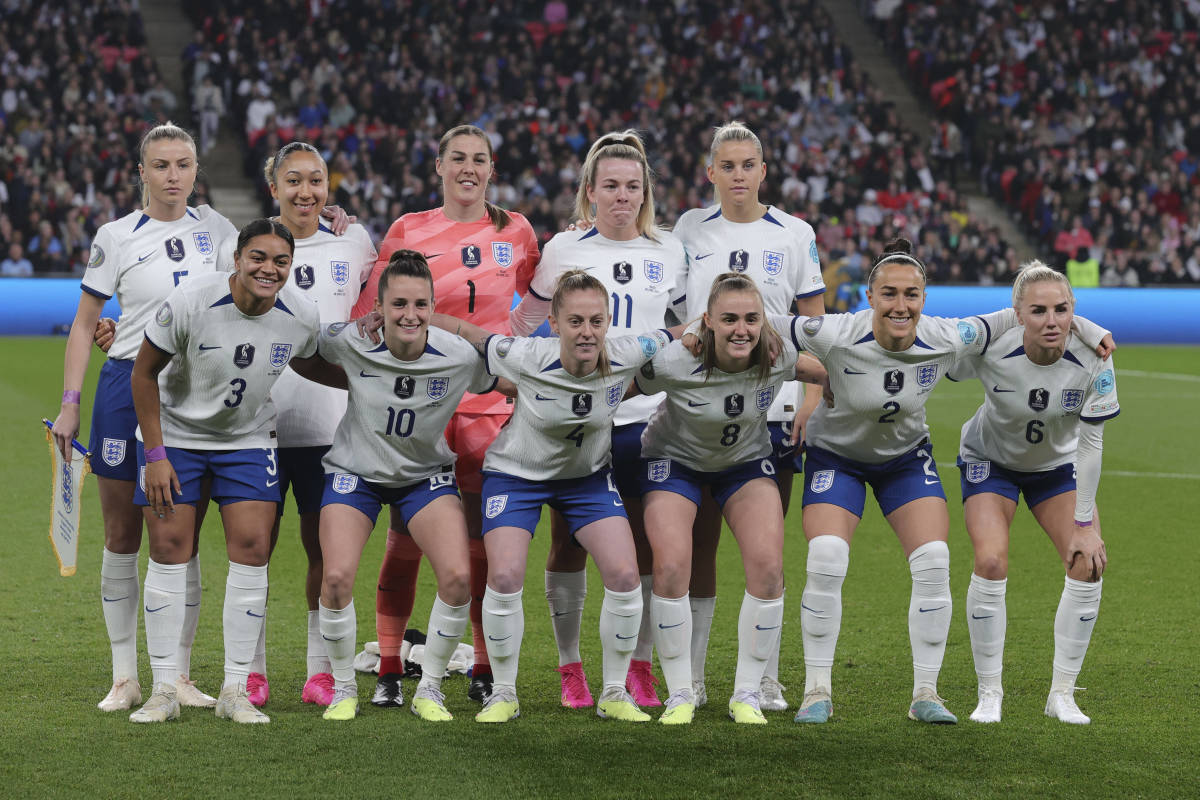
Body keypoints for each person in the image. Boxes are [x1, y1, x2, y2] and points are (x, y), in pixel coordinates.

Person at [787, 239, 1112, 725]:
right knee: (828, 556)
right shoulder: (838, 330)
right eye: (890, 294)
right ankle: (818, 689)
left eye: (911, 295)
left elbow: (1089, 440)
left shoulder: (953, 336)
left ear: (924, 297)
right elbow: (763, 327)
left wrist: (1083, 324)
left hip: (926, 459)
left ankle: (934, 693)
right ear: (869, 296)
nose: (901, 305)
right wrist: (808, 375)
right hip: (866, 456)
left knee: (942, 559)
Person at [352, 124, 541, 708]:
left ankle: (482, 665)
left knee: (485, 539)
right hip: (421, 403)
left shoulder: (518, 231)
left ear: (492, 169)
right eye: (457, 158)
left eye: (478, 159)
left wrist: (515, 353)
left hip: (488, 406)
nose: (468, 168)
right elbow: (371, 311)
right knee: (406, 533)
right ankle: (389, 664)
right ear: (438, 166)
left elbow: (538, 302)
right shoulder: (410, 228)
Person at [51, 122, 237, 713]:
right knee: (121, 534)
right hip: (124, 386)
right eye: (161, 166)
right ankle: (123, 675)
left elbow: (271, 265)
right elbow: (85, 325)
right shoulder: (117, 235)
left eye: (183, 164)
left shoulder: (218, 228)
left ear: (195, 168)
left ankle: (177, 674)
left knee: (179, 534)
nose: (174, 176)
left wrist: (333, 218)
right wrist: (69, 404)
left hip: (194, 391)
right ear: (142, 172)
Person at [434, 270, 675, 724]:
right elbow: (471, 333)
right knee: (503, 576)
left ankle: (613, 692)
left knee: (625, 574)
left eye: (596, 321)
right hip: (516, 474)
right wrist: (414, 319)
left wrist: (707, 330)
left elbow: (677, 333)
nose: (587, 333)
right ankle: (503, 693)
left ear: (608, 323)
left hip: (585, 479)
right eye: (576, 321)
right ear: (556, 322)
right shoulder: (525, 354)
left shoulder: (626, 352)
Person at [126, 218, 327, 724]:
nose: (269, 269)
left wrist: (373, 378)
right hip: (175, 440)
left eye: (281, 261)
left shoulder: (300, 314)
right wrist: (155, 456)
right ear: (237, 258)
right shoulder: (192, 300)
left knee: (253, 550)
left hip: (247, 439)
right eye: (258, 257)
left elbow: (310, 361)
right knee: (170, 550)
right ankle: (165, 688)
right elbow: (142, 373)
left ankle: (235, 690)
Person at [520, 130, 686, 710]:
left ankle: (637, 665)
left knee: (642, 546)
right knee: (567, 541)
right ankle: (570, 667)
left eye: (632, 187)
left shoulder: (669, 251)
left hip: (647, 419)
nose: (622, 196)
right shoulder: (564, 251)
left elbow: (686, 328)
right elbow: (527, 325)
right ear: (590, 192)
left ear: (646, 193)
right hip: (578, 421)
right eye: (610, 185)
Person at [672, 122, 827, 710]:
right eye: (727, 166)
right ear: (710, 173)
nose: (738, 176)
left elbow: (812, 324)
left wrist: (810, 398)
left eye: (748, 165)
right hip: (702, 402)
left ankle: (761, 676)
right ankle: (697, 674)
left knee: (766, 544)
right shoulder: (687, 227)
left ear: (764, 171)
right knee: (702, 542)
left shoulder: (794, 233)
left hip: (775, 401)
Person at [313, 250, 503, 722]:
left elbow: (508, 376)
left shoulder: (458, 356)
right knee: (335, 579)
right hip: (355, 473)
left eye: (420, 304)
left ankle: (431, 689)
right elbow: (304, 347)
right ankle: (341, 689)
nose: (410, 315)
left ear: (433, 305)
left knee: (458, 579)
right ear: (378, 307)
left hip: (423, 476)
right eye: (398, 304)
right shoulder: (351, 342)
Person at [633, 273, 829, 724]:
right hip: (673, 460)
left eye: (751, 319)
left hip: (743, 463)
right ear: (707, 322)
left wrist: (836, 397)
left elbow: (828, 374)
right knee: (670, 566)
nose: (741, 329)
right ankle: (682, 692)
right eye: (729, 319)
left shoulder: (776, 354)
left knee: (768, 565)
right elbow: (615, 389)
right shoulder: (675, 361)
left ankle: (747, 693)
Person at [950, 262, 1117, 724]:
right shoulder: (992, 345)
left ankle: (1061, 693)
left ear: (1074, 312)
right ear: (1018, 314)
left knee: (1088, 563)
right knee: (990, 561)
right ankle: (989, 693)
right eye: (1038, 310)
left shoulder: (1096, 355)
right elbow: (942, 350)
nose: (1051, 321)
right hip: (990, 461)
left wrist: (1084, 524)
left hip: (1055, 467)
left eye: (1062, 310)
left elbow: (1091, 442)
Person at [252, 141, 377, 708]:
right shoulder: (253, 250)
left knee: (324, 553)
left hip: (332, 428)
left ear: (330, 188)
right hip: (258, 425)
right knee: (254, 547)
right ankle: (249, 669)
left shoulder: (353, 244)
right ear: (273, 186)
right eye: (294, 181)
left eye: (317, 181)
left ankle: (320, 670)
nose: (306, 192)